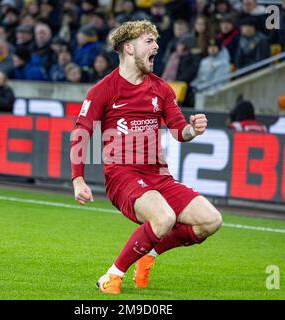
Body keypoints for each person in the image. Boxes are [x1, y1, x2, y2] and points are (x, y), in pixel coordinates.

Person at [70, 20, 222, 295]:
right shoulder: (103, 89)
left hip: (158, 176)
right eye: (149, 41)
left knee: (211, 221)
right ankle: (111, 277)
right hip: (122, 176)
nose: (157, 46)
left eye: (156, 41)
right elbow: (81, 132)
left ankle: (149, 254)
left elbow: (179, 131)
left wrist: (193, 129)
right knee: (163, 217)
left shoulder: (162, 88)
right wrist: (78, 178)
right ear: (128, 48)